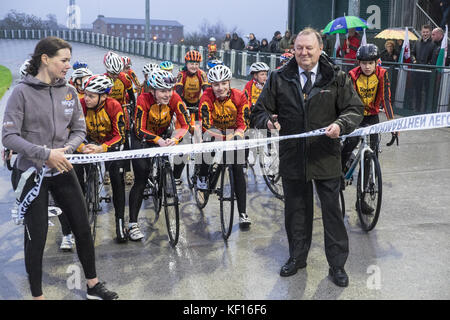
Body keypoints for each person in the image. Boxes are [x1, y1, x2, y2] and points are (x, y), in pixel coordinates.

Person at [2, 36, 118, 300]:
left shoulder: (68, 91)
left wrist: (65, 150)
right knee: (37, 235)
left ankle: (93, 285)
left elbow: (80, 129)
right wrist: (45, 154)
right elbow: (8, 137)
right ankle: (37, 296)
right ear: (45, 59)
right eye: (63, 60)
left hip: (62, 166)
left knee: (82, 226)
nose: (68, 66)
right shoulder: (21, 92)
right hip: (31, 173)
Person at [251, 28, 364, 287]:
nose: (303, 53)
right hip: (293, 158)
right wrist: (268, 121)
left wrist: (341, 125)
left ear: (319, 48)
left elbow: (354, 109)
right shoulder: (279, 78)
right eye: (299, 48)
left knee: (332, 214)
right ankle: (297, 257)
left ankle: (337, 265)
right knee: (296, 213)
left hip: (326, 157)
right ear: (293, 49)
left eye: (309, 48)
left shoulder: (335, 77)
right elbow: (258, 111)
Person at [129, 70, 189, 240]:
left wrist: (175, 139)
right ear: (153, 91)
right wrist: (157, 140)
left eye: (170, 90)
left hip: (164, 133)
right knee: (141, 178)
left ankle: (169, 179)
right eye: (163, 91)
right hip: (143, 136)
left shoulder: (175, 98)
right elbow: (139, 129)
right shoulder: (143, 99)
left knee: (183, 148)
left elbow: (186, 123)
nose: (167, 94)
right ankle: (132, 224)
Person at [75, 74, 127, 243]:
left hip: (108, 144)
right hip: (87, 143)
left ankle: (120, 221)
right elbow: (71, 131)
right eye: (86, 94)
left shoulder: (114, 106)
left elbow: (121, 136)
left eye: (91, 95)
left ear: (103, 96)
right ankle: (79, 221)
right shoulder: (81, 104)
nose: (86, 98)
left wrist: (101, 148)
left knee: (117, 180)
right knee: (76, 176)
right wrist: (83, 147)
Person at [197, 64, 251, 228]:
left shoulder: (239, 96)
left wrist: (237, 133)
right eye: (215, 84)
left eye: (223, 84)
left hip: (233, 132)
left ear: (229, 83)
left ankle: (242, 213)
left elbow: (245, 121)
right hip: (215, 131)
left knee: (237, 169)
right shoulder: (206, 97)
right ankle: (202, 177)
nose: (220, 88)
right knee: (208, 147)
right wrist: (221, 137)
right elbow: (206, 125)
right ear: (211, 85)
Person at [343, 44, 397, 206]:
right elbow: (347, 101)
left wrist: (393, 125)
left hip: (373, 116)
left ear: (376, 62)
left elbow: (386, 100)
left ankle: (362, 199)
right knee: (350, 143)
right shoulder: (352, 75)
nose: (367, 66)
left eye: (370, 63)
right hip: (356, 114)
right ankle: (339, 171)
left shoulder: (382, 74)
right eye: (364, 63)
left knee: (370, 157)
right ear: (359, 63)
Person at [173, 50, 210, 188]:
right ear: (186, 63)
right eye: (191, 63)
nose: (193, 66)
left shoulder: (202, 74)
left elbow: (206, 90)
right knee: (183, 141)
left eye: (196, 63)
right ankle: (176, 176)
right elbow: (177, 93)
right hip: (184, 105)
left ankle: (202, 170)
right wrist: (182, 107)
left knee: (203, 136)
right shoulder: (181, 75)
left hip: (198, 105)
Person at [103, 51, 135, 185]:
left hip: (122, 110)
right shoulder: (103, 79)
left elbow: (132, 97)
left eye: (117, 74)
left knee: (125, 140)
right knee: (107, 140)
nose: (115, 77)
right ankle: (107, 171)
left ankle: (128, 171)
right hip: (108, 112)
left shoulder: (125, 79)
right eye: (112, 74)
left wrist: (133, 112)